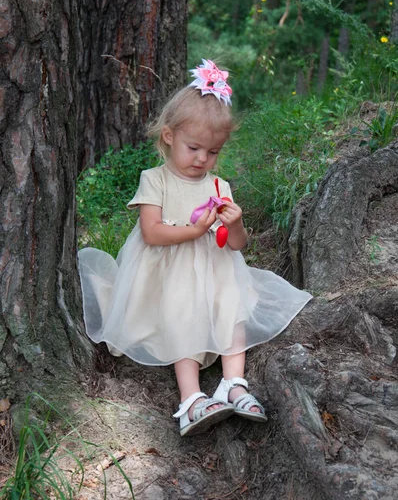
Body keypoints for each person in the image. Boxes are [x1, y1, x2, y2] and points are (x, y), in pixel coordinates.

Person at [78, 59, 312, 437]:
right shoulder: (155, 180)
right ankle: (191, 399)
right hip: (166, 273)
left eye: (213, 152)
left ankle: (234, 384)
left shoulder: (218, 186)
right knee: (184, 315)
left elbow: (235, 246)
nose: (202, 159)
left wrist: (234, 223)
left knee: (233, 309)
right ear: (168, 136)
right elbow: (152, 233)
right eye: (194, 148)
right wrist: (192, 230)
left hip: (215, 269)